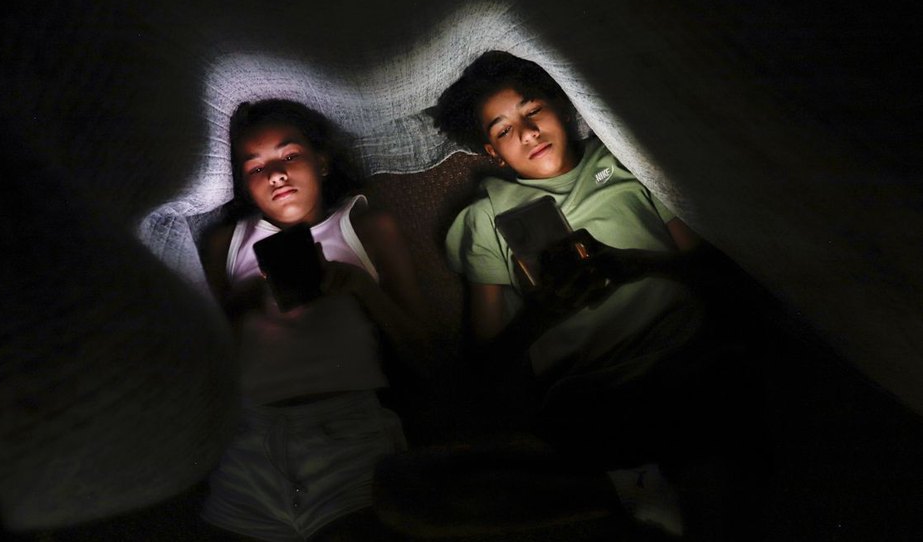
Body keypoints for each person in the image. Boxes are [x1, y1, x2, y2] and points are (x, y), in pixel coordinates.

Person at [427, 50, 749, 537]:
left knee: (709, 432)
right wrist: (542, 314)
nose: (528, 133)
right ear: (493, 152)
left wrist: (637, 265)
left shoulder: (623, 158)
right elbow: (488, 360)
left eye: (533, 110)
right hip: (589, 392)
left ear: (561, 105)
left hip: (681, 354)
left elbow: (713, 272)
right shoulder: (486, 216)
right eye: (504, 129)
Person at [199, 98, 427, 541]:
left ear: (322, 162)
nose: (275, 174)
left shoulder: (364, 227)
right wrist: (240, 305)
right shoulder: (227, 242)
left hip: (347, 434)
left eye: (289, 156)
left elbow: (425, 351)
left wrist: (360, 288)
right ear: (243, 185)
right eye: (255, 167)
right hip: (249, 441)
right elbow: (206, 362)